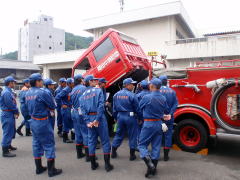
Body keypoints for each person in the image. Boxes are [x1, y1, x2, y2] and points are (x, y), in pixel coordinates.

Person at [25, 73, 62, 177]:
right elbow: (53, 105)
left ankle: (39, 168)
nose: (42, 82)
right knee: (49, 144)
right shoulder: (42, 92)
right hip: (42, 121)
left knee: (36, 144)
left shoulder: (28, 92)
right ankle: (51, 170)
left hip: (33, 121)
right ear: (37, 81)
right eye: (41, 80)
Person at [80, 75, 113, 172]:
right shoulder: (98, 91)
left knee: (91, 141)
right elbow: (101, 106)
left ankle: (93, 164)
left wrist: (88, 121)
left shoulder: (82, 95)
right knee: (105, 141)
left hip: (89, 119)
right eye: (94, 80)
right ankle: (107, 165)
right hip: (99, 118)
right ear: (90, 82)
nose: (96, 81)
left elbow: (82, 110)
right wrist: (97, 119)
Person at [138, 78, 170, 178]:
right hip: (159, 123)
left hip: (148, 124)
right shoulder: (163, 98)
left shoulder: (147, 97)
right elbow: (165, 110)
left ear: (152, 86)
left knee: (142, 145)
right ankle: (153, 170)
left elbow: (140, 108)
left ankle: (149, 164)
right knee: (156, 146)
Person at [111, 78, 142, 161]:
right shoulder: (132, 95)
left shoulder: (116, 95)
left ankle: (113, 152)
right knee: (132, 135)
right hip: (130, 117)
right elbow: (137, 109)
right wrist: (140, 118)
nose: (133, 86)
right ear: (127, 85)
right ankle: (132, 156)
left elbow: (114, 109)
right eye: (132, 84)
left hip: (120, 117)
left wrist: (115, 118)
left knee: (119, 134)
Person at [159, 75, 178, 161]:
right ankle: (166, 156)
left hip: (158, 117)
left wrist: (161, 114)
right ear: (166, 81)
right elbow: (175, 104)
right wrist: (170, 114)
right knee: (168, 135)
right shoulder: (172, 91)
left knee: (157, 135)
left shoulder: (156, 91)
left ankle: (155, 154)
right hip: (169, 117)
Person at [0, 76, 19, 157]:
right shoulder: (6, 92)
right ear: (10, 83)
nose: (14, 84)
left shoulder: (8, 91)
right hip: (7, 113)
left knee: (11, 130)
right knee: (7, 132)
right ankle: (5, 151)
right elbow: (10, 105)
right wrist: (16, 111)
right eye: (13, 82)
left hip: (9, 113)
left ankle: (8, 145)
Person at [70, 74, 87, 160]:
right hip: (81, 113)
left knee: (77, 132)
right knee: (86, 132)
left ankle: (79, 153)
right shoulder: (83, 88)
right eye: (83, 79)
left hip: (74, 111)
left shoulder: (73, 89)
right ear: (80, 80)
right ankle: (89, 156)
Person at [56, 78, 74, 143]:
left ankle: (73, 136)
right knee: (66, 122)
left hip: (70, 108)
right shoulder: (65, 90)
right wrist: (62, 104)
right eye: (72, 82)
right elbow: (57, 97)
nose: (73, 83)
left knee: (71, 122)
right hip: (66, 108)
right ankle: (65, 138)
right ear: (69, 84)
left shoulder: (72, 89)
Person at [136, 80, 149, 149]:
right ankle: (145, 146)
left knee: (139, 131)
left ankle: (140, 146)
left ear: (141, 87)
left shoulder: (138, 95)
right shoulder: (151, 94)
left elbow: (137, 108)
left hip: (141, 116)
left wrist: (139, 118)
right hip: (150, 117)